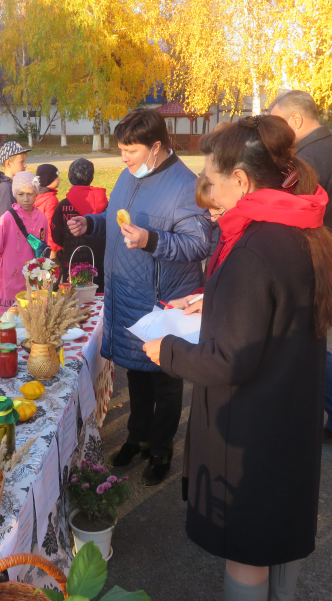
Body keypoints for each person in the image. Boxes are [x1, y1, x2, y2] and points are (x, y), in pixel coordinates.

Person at [143, 115, 332, 601]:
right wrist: (211, 300)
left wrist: (166, 350)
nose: (208, 195)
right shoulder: (299, 224)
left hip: (251, 429)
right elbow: (270, 312)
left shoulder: (254, 247)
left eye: (211, 182)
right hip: (289, 416)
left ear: (240, 180)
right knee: (280, 537)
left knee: (248, 549)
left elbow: (227, 361)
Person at [68, 109, 211, 486]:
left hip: (163, 301)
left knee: (165, 377)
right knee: (137, 372)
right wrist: (92, 223)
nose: (124, 158)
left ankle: (161, 449)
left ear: (157, 147)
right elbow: (118, 219)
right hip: (127, 293)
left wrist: (151, 240)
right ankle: (138, 436)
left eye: (130, 150)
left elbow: (199, 244)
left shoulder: (185, 185)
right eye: (121, 150)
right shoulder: (129, 174)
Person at [269, 90, 332, 443]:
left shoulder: (307, 158)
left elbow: (286, 214)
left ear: (295, 119)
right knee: (309, 341)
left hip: (305, 263)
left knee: (299, 344)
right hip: (321, 258)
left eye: (279, 122)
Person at [0, 172, 49, 314]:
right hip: (12, 279)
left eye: (30, 194)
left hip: (35, 280)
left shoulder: (42, 218)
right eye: (21, 194)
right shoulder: (7, 218)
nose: (26, 199)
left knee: (34, 320)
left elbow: (43, 245)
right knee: (12, 319)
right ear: (15, 194)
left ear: (36, 194)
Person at [51, 158, 108, 290]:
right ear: (91, 177)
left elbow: (56, 236)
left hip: (72, 263)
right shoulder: (105, 205)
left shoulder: (63, 205)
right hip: (100, 263)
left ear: (70, 177)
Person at [0, 141, 31, 222]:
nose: (25, 165)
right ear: (9, 164)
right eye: (21, 162)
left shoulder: (13, 184)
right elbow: (5, 219)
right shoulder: (6, 187)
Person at [34, 163, 62, 257]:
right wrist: (53, 249)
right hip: (48, 247)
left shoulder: (37, 196)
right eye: (57, 176)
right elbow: (50, 225)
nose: (60, 179)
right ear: (50, 179)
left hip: (38, 243)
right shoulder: (51, 200)